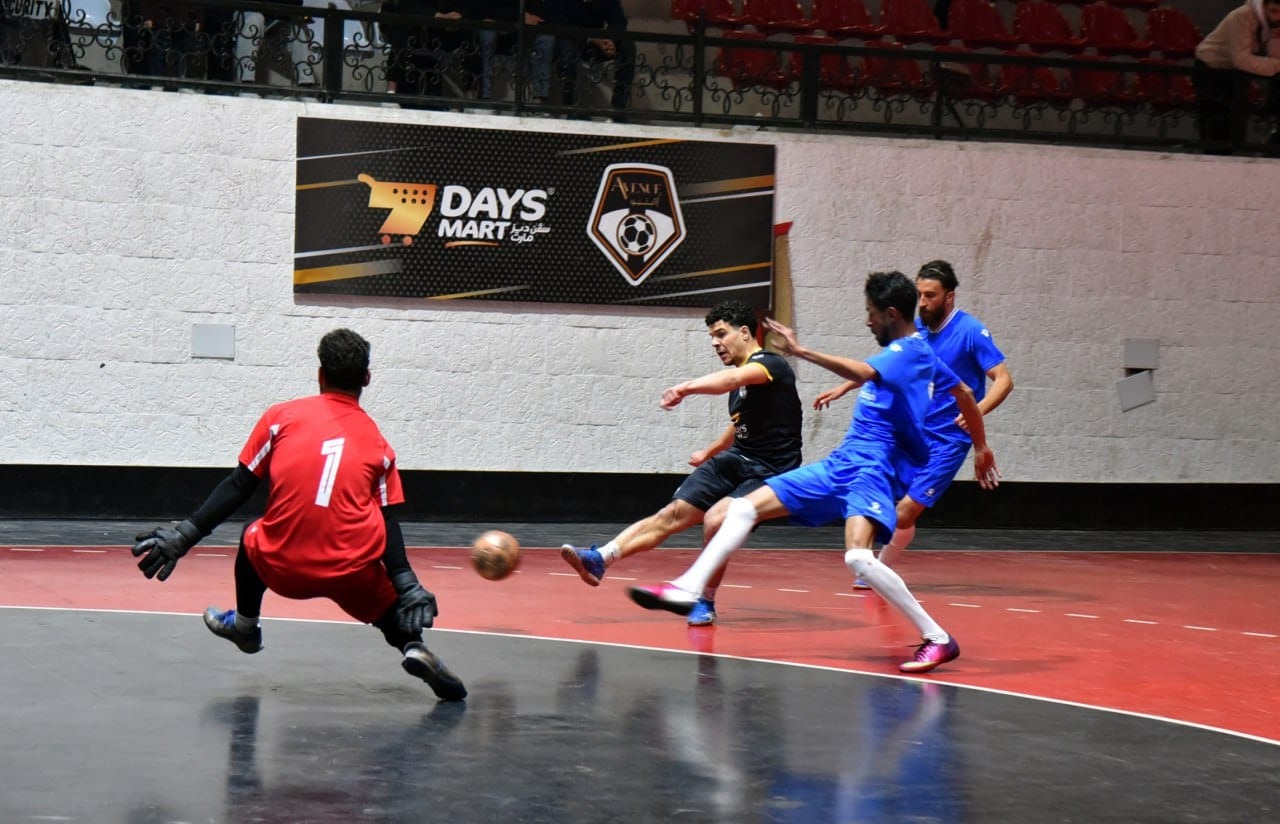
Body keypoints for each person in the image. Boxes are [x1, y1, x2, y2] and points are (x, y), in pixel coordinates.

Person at [628, 271, 1000, 674]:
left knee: (858, 558)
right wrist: (981, 447)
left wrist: (801, 351)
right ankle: (688, 588)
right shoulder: (921, 352)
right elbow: (964, 392)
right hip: (842, 463)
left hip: (872, 470)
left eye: (871, 313)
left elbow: (863, 372)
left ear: (891, 314)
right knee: (741, 509)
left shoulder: (907, 351)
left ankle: (938, 638)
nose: (867, 321)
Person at [130, 329, 466, 702]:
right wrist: (407, 583)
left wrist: (185, 536)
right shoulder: (379, 445)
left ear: (320, 375)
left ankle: (245, 626)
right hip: (350, 572)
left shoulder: (281, 418)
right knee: (382, 595)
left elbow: (239, 484)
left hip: (281, 567)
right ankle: (413, 646)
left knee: (253, 534)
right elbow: (387, 520)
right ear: (367, 378)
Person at [560, 299, 803, 627]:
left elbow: (730, 380)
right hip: (738, 459)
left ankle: (704, 599)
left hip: (772, 471)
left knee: (717, 519)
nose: (715, 343)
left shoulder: (771, 365)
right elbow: (740, 425)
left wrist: (685, 388)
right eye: (712, 337)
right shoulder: (742, 388)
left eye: (721, 334)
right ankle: (600, 558)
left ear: (745, 332)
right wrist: (709, 452)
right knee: (672, 514)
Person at [815, 260, 1012, 588]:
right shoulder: (916, 329)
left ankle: (878, 571)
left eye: (930, 295)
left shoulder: (970, 332)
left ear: (949, 297)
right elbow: (885, 366)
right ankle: (872, 564)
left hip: (949, 440)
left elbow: (1004, 380)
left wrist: (976, 413)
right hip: (914, 433)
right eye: (919, 294)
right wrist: (845, 387)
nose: (922, 302)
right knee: (881, 499)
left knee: (904, 512)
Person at [1192, 0, 1280, 153]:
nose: (1278, 17)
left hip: (1233, 72)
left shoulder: (1270, 23)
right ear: (1264, 6)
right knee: (1216, 128)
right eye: (1274, 11)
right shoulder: (1242, 16)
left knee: (1233, 127)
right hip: (1212, 69)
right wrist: (1277, 65)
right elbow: (1241, 60)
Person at [526, 0, 631, 110]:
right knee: (565, 46)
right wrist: (591, 38)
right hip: (569, 38)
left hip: (597, 42)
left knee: (627, 46)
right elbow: (557, 21)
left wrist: (609, 40)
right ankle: (569, 103)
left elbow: (619, 20)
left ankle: (619, 105)